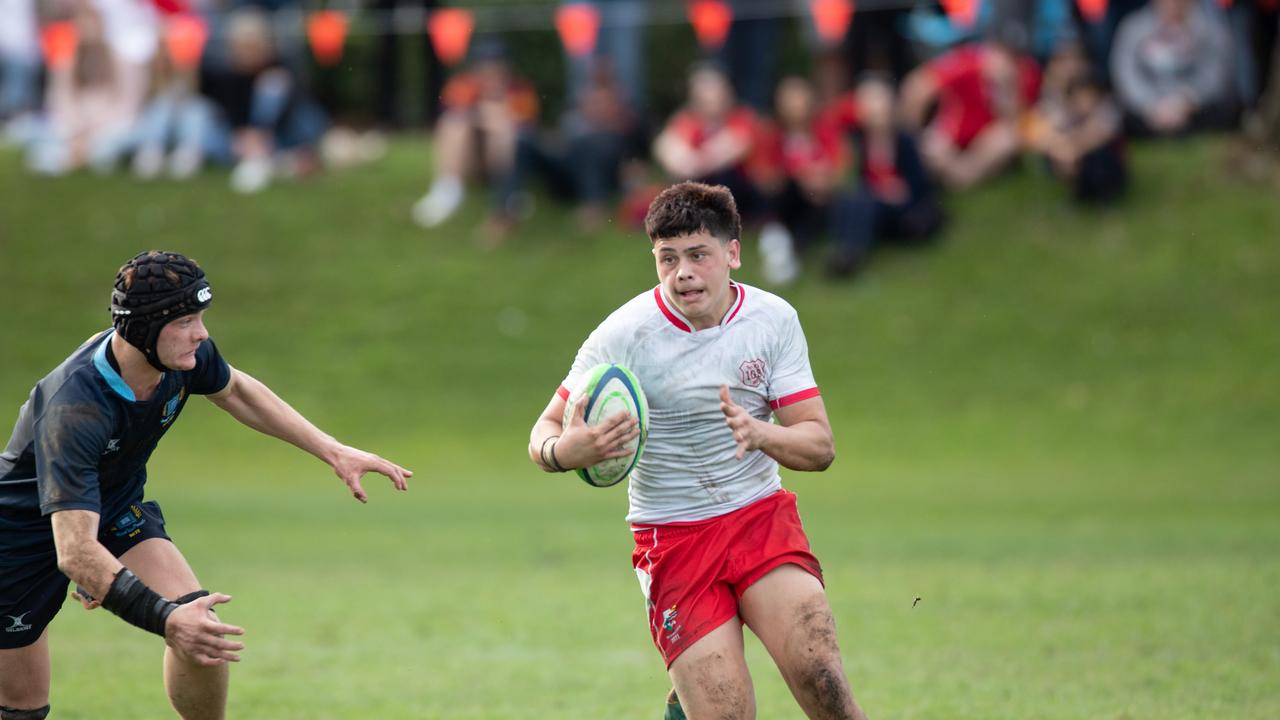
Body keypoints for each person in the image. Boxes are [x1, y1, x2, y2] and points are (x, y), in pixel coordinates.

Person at [0, 251, 412, 720]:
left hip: (111, 511)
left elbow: (235, 391)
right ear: (140, 330)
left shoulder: (181, 359)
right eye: (185, 322)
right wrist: (162, 617)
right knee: (22, 710)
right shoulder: (75, 410)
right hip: (19, 539)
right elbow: (74, 551)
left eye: (200, 318)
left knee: (202, 634)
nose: (201, 333)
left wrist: (334, 451)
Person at [526, 182, 872, 720]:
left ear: (732, 253)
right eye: (667, 258)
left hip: (759, 519)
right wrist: (566, 451)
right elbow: (542, 432)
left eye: (697, 255)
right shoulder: (625, 334)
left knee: (821, 673)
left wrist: (762, 435)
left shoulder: (772, 320)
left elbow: (819, 445)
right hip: (674, 538)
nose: (682, 272)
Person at [412, 40, 539, 229]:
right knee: (455, 125)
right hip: (472, 160)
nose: (490, 72)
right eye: (484, 67)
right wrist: (483, 113)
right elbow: (452, 115)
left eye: (496, 66)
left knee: (503, 128)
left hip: (505, 160)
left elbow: (526, 131)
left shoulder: (520, 91)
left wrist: (495, 114)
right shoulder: (463, 87)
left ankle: (510, 191)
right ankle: (447, 190)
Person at [829, 75, 944, 277]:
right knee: (856, 200)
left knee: (865, 201)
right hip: (872, 203)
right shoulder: (858, 141)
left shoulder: (904, 140)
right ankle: (849, 252)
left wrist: (899, 190)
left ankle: (851, 253)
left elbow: (920, 183)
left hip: (902, 205)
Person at [900, 34, 1041, 189]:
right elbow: (917, 87)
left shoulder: (1027, 72)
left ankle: (962, 177)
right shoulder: (970, 62)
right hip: (953, 136)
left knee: (1008, 138)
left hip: (987, 139)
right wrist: (912, 135)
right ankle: (960, 176)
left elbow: (1015, 120)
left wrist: (1005, 88)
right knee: (931, 147)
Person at [1109, 0, 1237, 137]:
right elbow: (1125, 75)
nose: (1173, 4)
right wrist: (1151, 105)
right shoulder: (1133, 27)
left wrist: (1187, 100)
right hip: (1146, 111)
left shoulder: (1210, 28)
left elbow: (1216, 73)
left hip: (1195, 108)